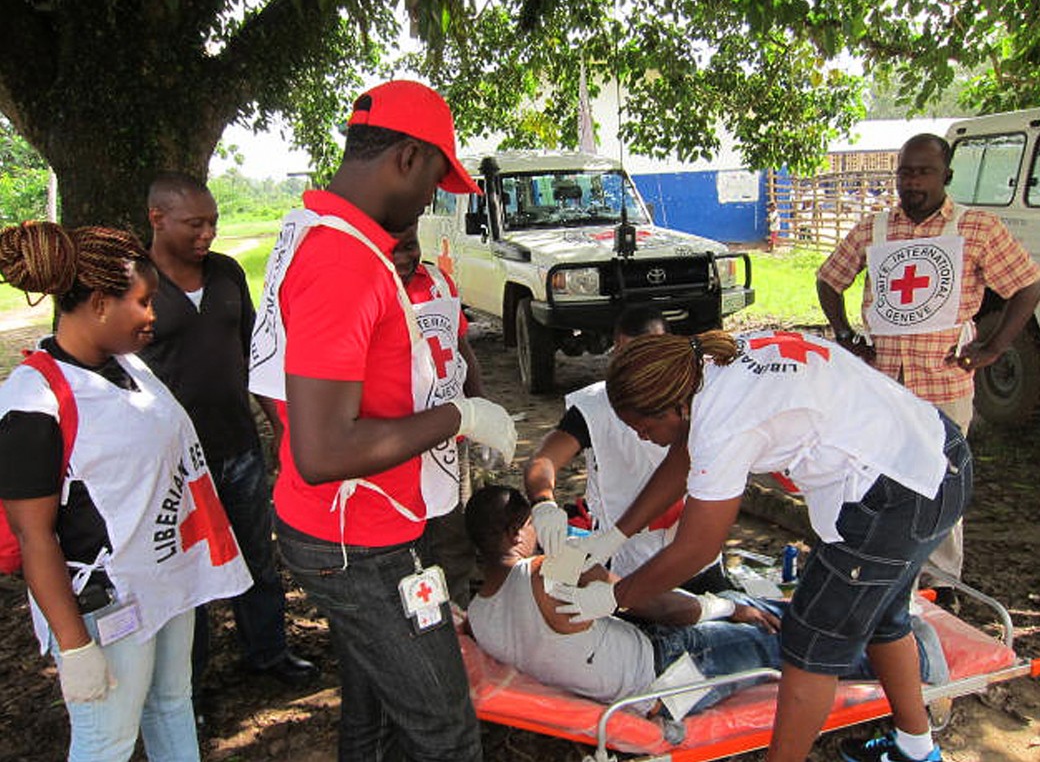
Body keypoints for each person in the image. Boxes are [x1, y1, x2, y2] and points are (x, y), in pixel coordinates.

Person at [247, 79, 516, 761]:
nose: (433, 198)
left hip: (359, 522)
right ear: (405, 157)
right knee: (446, 729)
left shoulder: (314, 228)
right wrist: (461, 415)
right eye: (435, 178)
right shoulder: (345, 260)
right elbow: (324, 448)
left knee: (376, 702)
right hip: (356, 540)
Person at [548, 330, 971, 762]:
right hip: (935, 452)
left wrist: (614, 597)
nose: (640, 437)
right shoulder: (705, 365)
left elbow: (696, 548)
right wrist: (616, 535)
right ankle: (916, 750)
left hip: (901, 494)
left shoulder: (723, 421)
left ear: (674, 407)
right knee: (882, 616)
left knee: (809, 641)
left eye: (643, 426)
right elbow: (685, 455)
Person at [0, 221, 252, 761]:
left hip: (163, 580)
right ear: (97, 304)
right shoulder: (33, 402)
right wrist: (74, 645)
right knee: (107, 739)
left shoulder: (129, 369)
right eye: (142, 302)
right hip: (102, 607)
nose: (153, 317)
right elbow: (33, 535)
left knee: (171, 703)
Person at [465, 485, 947, 719]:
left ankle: (849, 619)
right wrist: (727, 609)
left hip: (642, 657)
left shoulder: (482, 616)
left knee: (758, 611)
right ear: (517, 531)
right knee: (777, 644)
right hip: (666, 679)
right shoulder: (553, 571)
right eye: (533, 524)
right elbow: (662, 607)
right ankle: (919, 659)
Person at [816, 133, 1040, 606]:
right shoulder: (874, 229)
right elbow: (829, 279)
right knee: (875, 479)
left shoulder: (975, 229)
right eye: (905, 172)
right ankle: (883, 579)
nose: (912, 181)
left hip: (944, 382)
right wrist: (845, 335)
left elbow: (1027, 285)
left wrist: (995, 346)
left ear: (946, 177)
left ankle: (941, 585)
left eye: (923, 171)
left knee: (942, 484)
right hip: (883, 384)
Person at [138, 173, 317, 719]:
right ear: (157, 219)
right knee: (183, 576)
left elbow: (256, 359)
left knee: (255, 557)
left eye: (213, 221)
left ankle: (267, 652)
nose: (208, 233)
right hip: (171, 466)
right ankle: (185, 689)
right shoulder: (133, 282)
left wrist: (282, 426)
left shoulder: (226, 274)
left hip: (237, 448)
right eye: (196, 224)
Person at [524, 304, 733, 591]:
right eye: (626, 357)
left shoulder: (705, 401)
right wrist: (544, 503)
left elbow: (685, 467)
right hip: (625, 560)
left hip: (694, 557)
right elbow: (545, 459)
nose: (636, 370)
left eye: (646, 357)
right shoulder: (597, 406)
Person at [392, 221, 486, 607]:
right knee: (406, 535)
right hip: (396, 439)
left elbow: (460, 347)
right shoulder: (366, 289)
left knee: (454, 531)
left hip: (450, 436)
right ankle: (417, 616)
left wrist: (481, 408)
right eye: (394, 248)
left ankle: (459, 616)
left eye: (410, 245)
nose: (404, 257)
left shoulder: (436, 281)